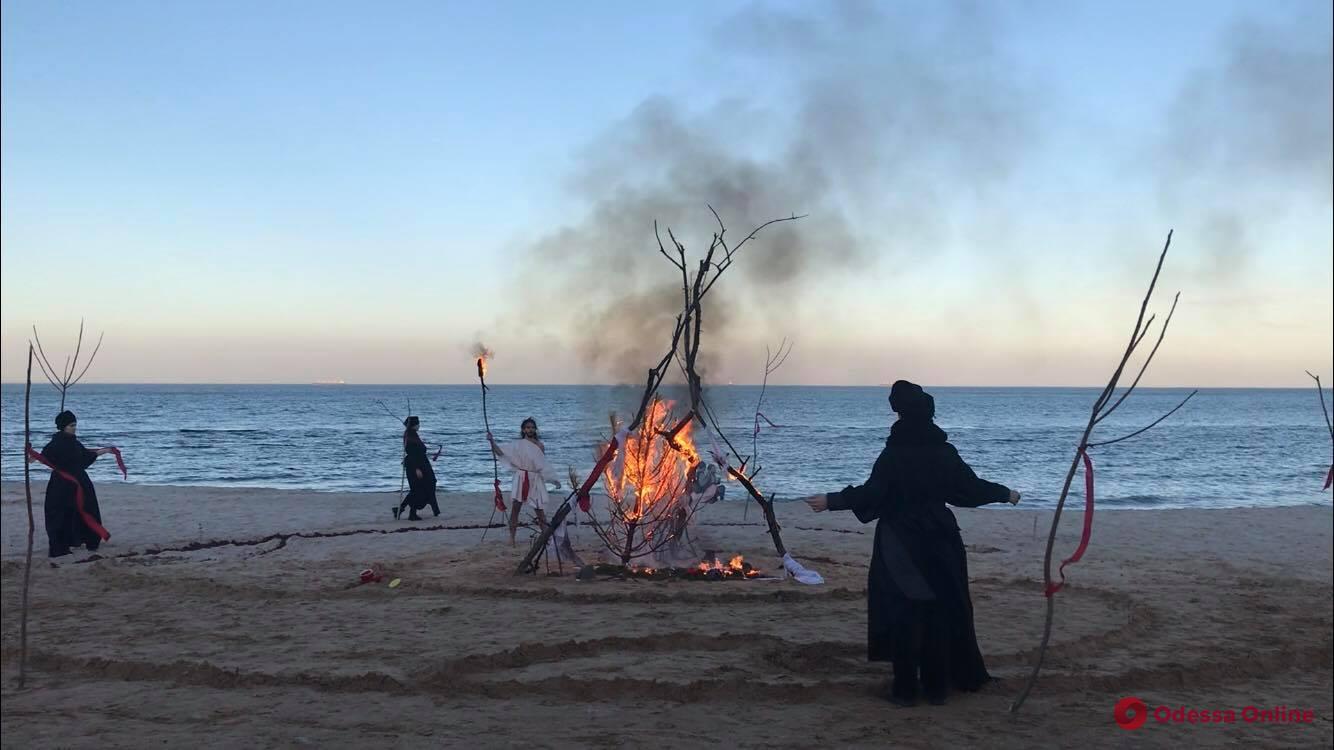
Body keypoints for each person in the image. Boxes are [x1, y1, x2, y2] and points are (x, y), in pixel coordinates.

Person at [804, 380, 1020, 707]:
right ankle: (935, 688)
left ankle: (906, 690)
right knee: (938, 610)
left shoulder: (893, 454)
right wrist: (1004, 493)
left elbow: (873, 493)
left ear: (900, 414)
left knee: (905, 610)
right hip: (940, 541)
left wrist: (832, 500)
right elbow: (969, 488)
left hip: (900, 542)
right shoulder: (943, 451)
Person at [38, 410, 116, 558]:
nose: (74, 428)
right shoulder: (54, 444)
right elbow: (44, 458)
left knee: (89, 509)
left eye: (75, 425)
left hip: (80, 482)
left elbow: (85, 456)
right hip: (61, 484)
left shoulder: (74, 442)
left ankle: (89, 541)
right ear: (63, 426)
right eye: (71, 425)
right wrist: (31, 456)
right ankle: (61, 546)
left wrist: (105, 451)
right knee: (60, 514)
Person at [487, 417, 562, 546]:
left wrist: (553, 479)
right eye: (527, 427)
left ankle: (545, 538)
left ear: (535, 429)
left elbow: (542, 464)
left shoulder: (540, 446)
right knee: (516, 509)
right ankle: (512, 538)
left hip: (535, 478)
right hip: (521, 477)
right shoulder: (518, 444)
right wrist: (491, 441)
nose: (530, 429)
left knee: (539, 510)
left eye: (532, 427)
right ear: (523, 430)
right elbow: (501, 453)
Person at [395, 416, 440, 521]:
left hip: (421, 464)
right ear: (414, 425)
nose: (419, 425)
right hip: (416, 466)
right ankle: (411, 513)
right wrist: (417, 469)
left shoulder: (412, 434)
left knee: (423, 486)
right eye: (418, 424)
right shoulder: (409, 435)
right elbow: (412, 453)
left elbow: (418, 451)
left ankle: (402, 509)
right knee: (418, 489)